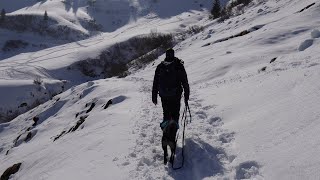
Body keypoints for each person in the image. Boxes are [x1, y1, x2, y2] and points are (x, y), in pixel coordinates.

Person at [152, 48, 190, 127]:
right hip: (176, 95)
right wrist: (186, 96)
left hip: (164, 95)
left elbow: (155, 82)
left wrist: (154, 96)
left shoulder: (160, 66)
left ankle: (166, 134)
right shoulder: (178, 65)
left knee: (166, 114)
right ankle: (173, 134)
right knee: (175, 113)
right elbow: (185, 81)